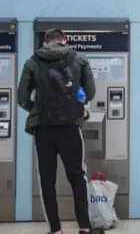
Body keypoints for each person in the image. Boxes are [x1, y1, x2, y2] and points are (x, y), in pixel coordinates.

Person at [17, 28, 100, 234]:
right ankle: (84, 227)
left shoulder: (32, 61)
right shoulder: (79, 58)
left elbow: (21, 98)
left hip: (43, 128)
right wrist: (74, 104)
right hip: (71, 126)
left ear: (45, 41)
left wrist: (36, 110)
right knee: (77, 177)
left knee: (47, 180)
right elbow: (90, 92)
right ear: (65, 40)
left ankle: (55, 230)